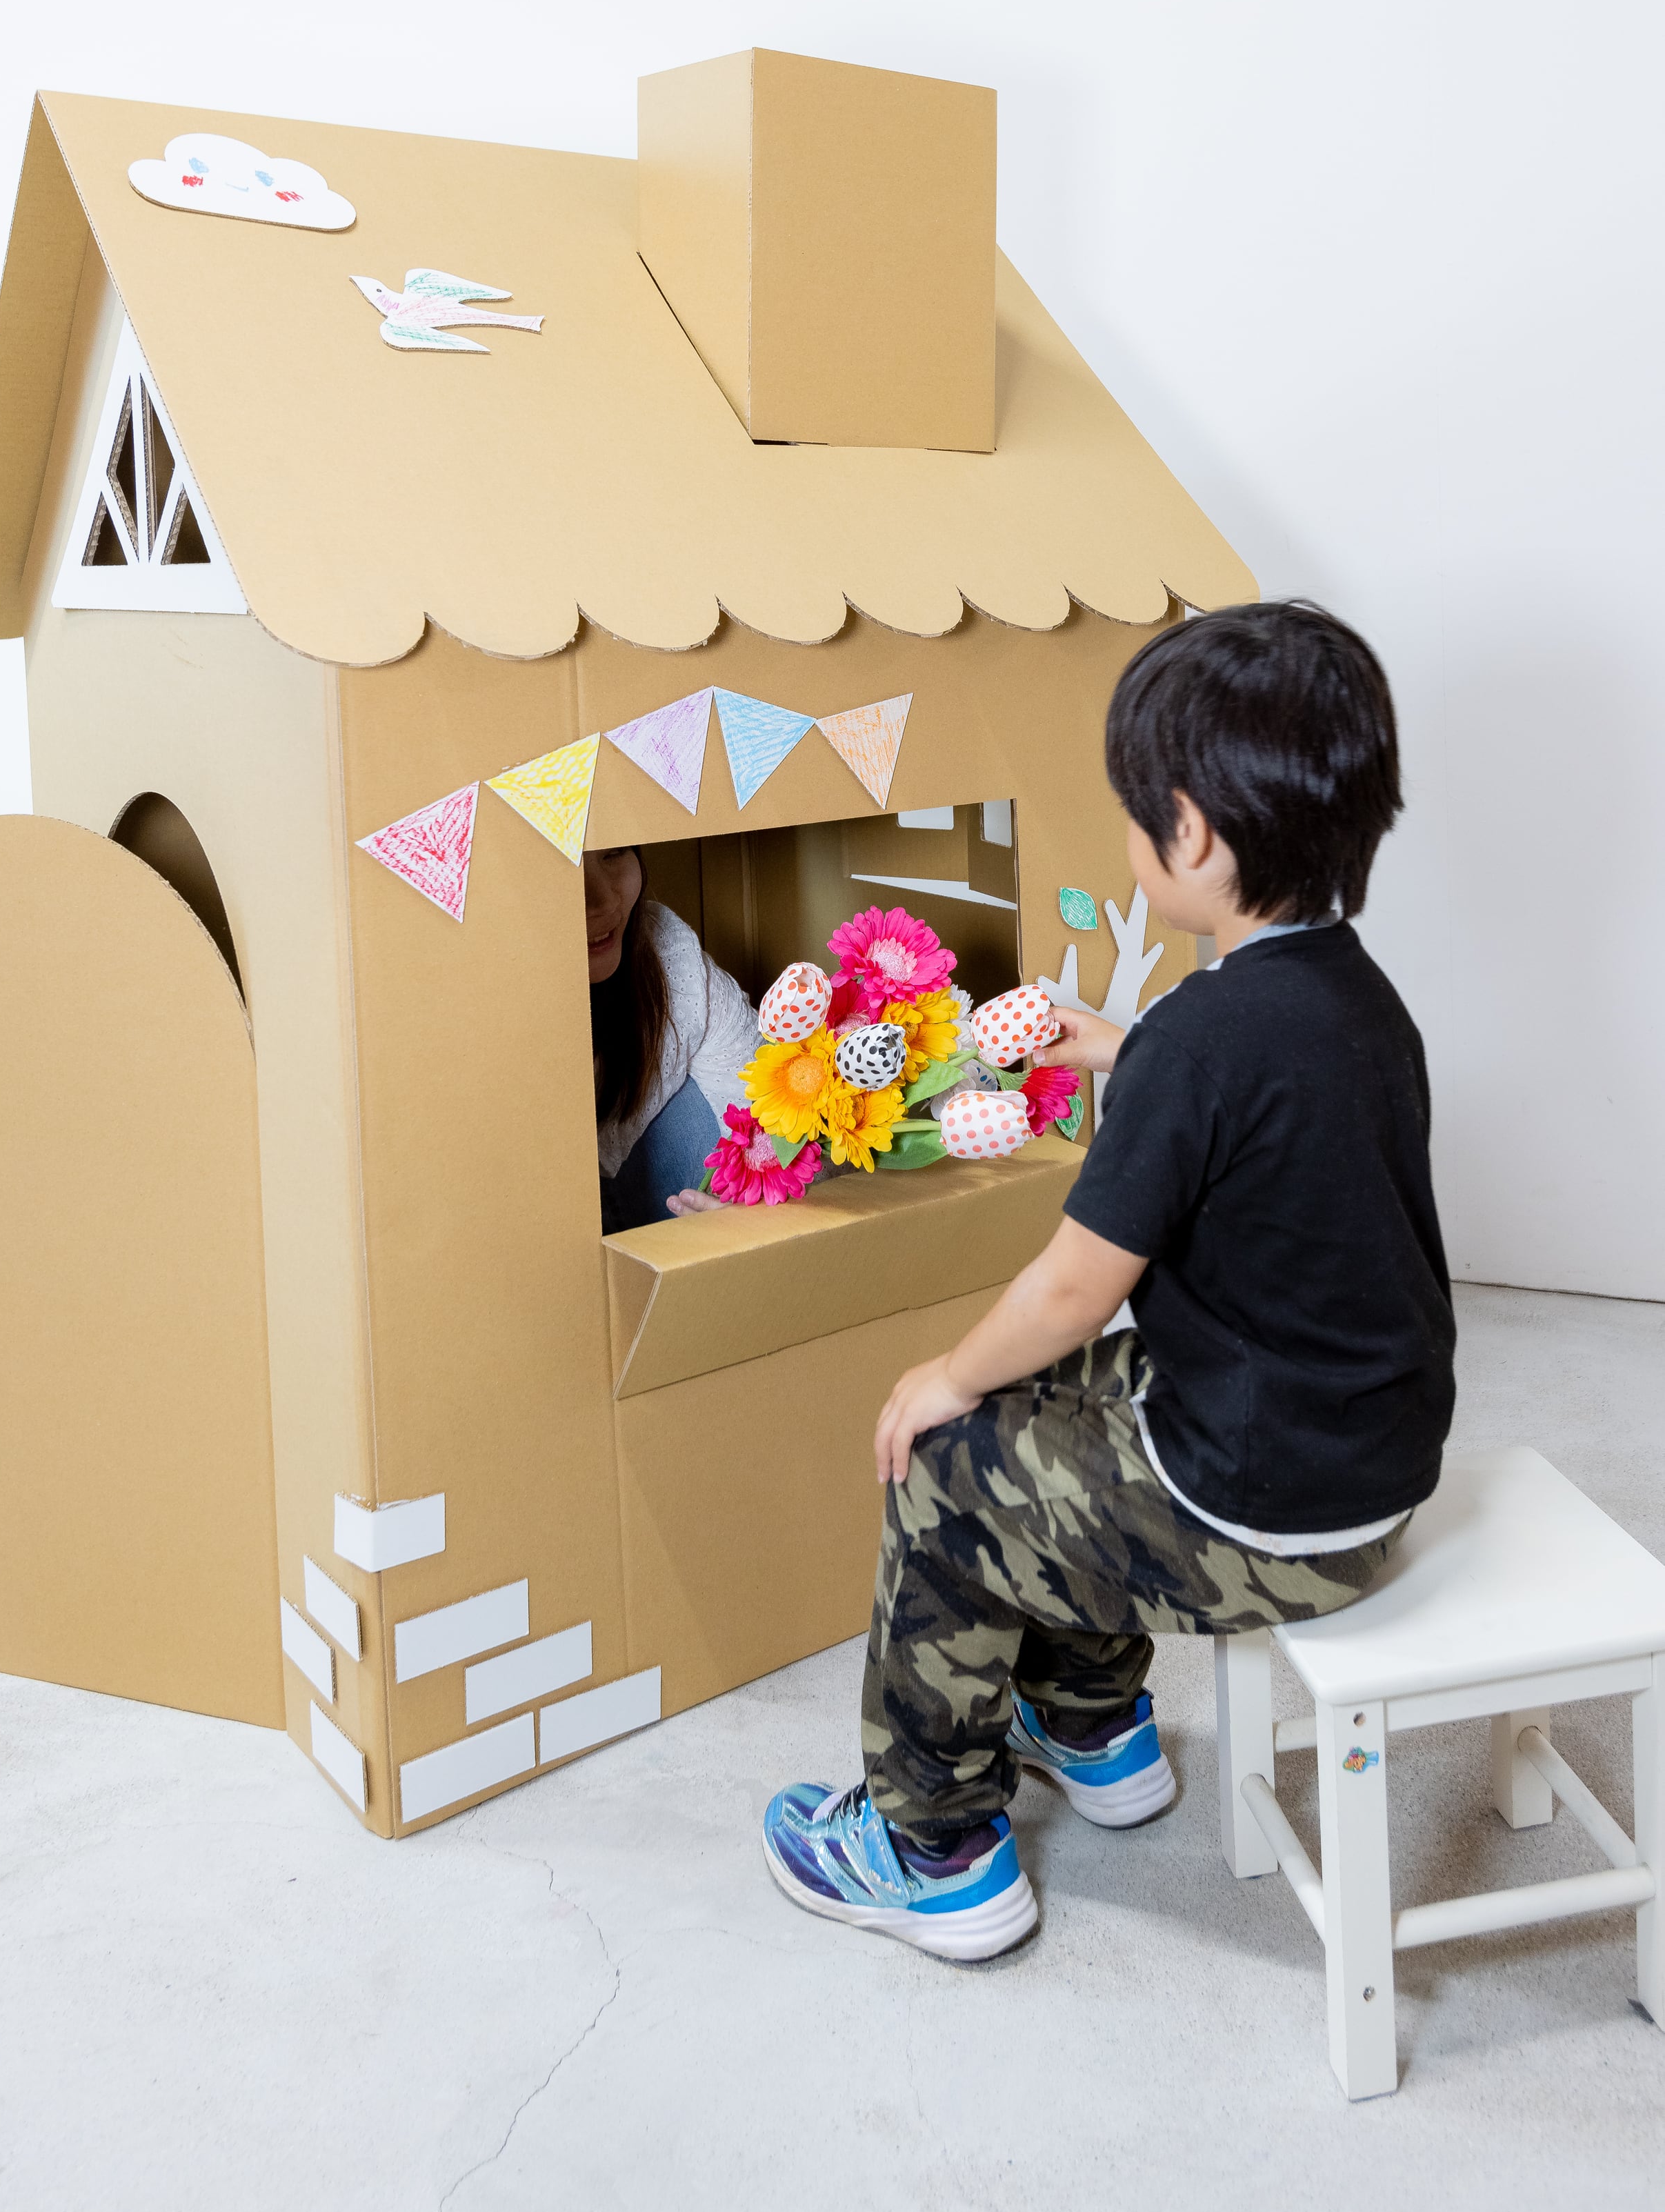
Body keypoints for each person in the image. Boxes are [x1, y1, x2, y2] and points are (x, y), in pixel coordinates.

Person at [761, 600, 1457, 1961]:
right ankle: (1091, 1727)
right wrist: (1122, 1047)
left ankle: (929, 1846)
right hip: (1368, 1466)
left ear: (1188, 835)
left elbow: (1073, 1287)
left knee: (951, 1458)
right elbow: (1260, 1095)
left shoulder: (1201, 1043)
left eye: (1138, 816)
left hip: (1261, 1513)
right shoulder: (1352, 1001)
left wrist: (943, 1374)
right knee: (1075, 1398)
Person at [586, 846, 762, 1233]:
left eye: (613, 854)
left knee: (732, 1123)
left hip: (656, 1218)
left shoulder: (667, 951)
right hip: (543, 1230)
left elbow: (770, 1102)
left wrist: (755, 1213)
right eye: (572, 866)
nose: (603, 901)